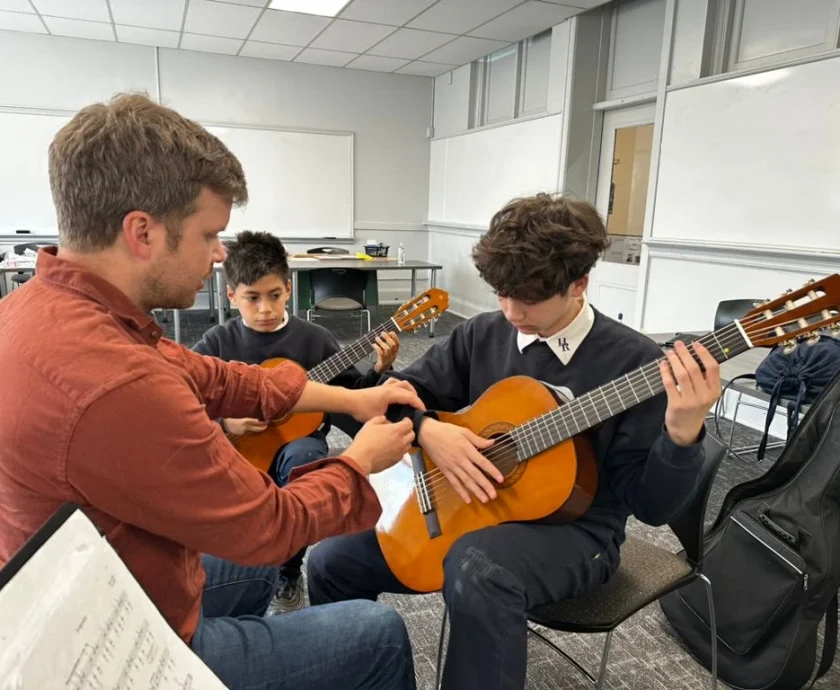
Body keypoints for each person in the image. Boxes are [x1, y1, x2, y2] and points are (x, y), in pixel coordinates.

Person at [0, 93, 421, 690]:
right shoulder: (117, 383)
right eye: (209, 234)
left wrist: (353, 400)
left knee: (250, 575)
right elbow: (269, 523)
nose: (221, 254)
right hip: (121, 646)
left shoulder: (50, 310)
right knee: (376, 633)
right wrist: (358, 463)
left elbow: (221, 379)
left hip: (94, 588)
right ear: (141, 232)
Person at [306, 193, 722, 690]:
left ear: (578, 284)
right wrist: (429, 431)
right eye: (500, 292)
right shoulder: (484, 334)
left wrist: (682, 435)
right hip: (469, 505)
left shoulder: (635, 362)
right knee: (331, 559)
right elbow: (393, 398)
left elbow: (651, 508)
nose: (509, 310)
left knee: (479, 568)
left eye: (526, 298)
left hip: (580, 533)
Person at [192, 229, 400, 615]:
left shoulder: (314, 339)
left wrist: (378, 369)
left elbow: (353, 396)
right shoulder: (217, 343)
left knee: (304, 458)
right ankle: (241, 576)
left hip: (297, 445)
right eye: (252, 298)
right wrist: (226, 424)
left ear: (288, 289)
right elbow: (183, 404)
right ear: (231, 295)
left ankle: (288, 570)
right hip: (237, 451)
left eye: (274, 295)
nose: (265, 309)